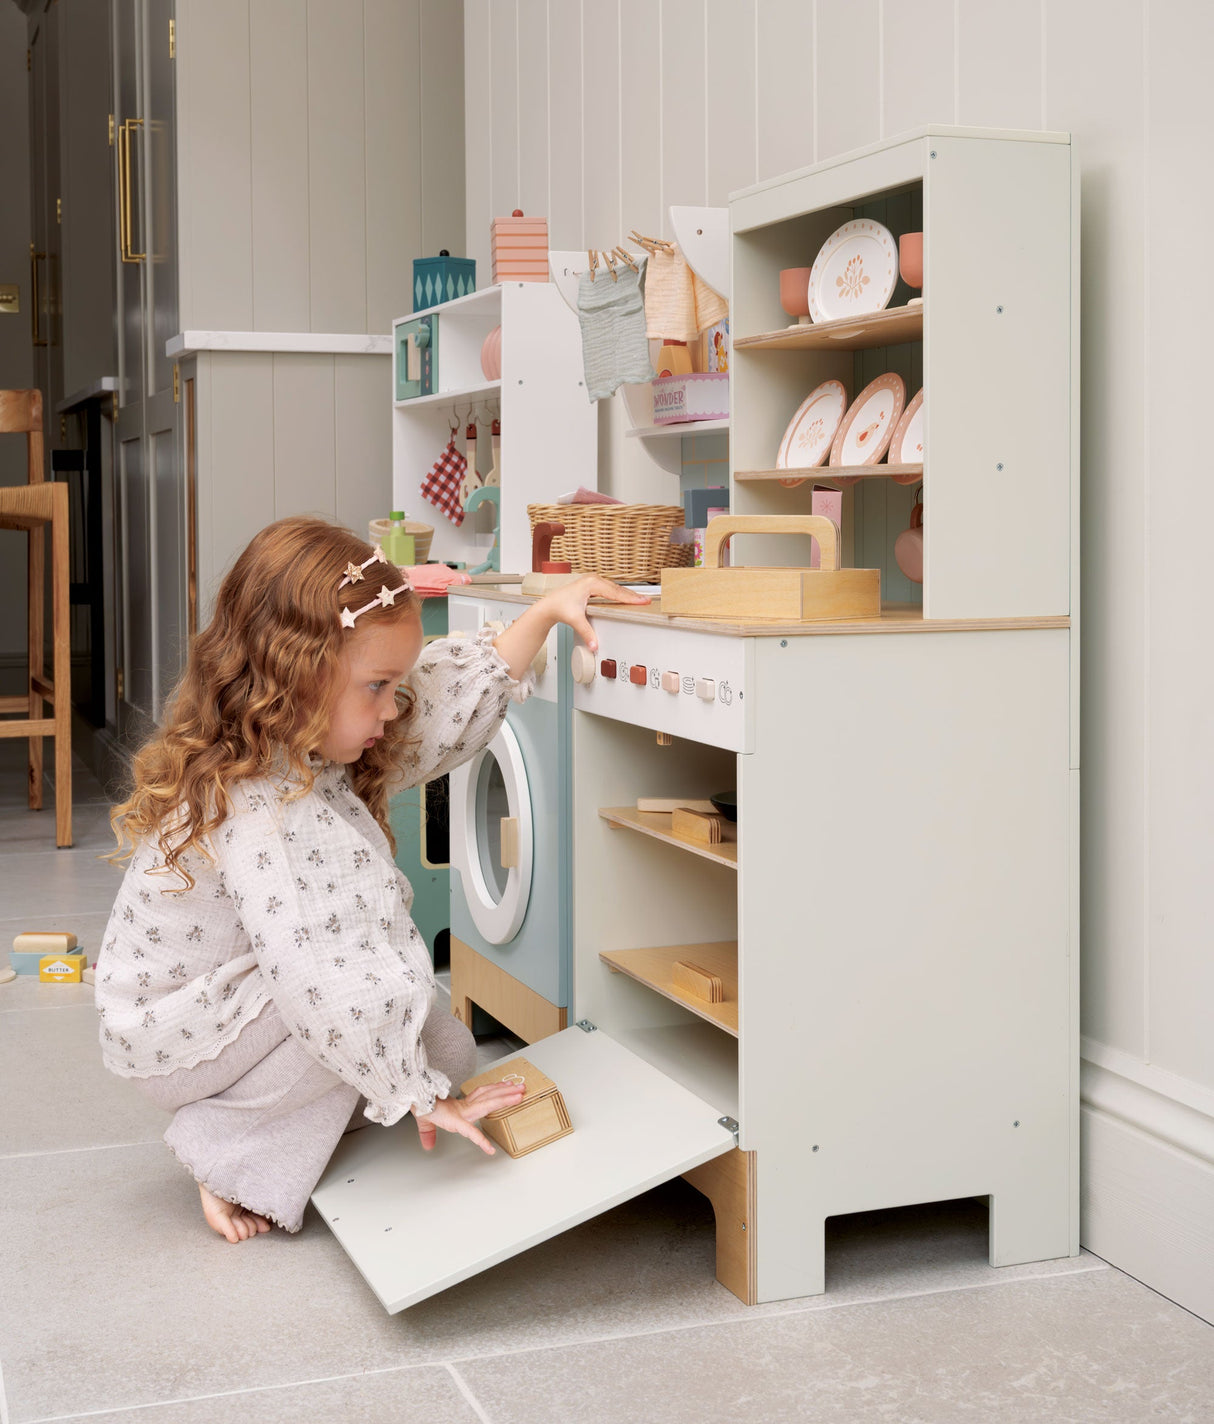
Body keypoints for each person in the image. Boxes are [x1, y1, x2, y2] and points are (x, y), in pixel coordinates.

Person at [96, 515, 648, 1243]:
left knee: (442, 1050)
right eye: (379, 686)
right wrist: (418, 1100)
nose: (393, 707)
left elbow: (432, 709)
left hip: (233, 998)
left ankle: (300, 1120)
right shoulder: (263, 808)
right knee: (373, 997)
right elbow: (324, 968)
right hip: (178, 1031)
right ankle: (226, 1149)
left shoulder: (299, 740)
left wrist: (546, 612)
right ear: (294, 678)